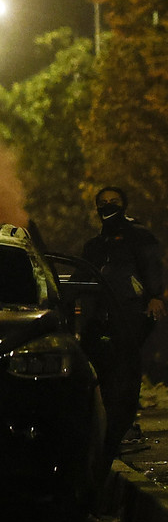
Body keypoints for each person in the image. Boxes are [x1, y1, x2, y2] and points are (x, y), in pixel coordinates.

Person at [81, 185, 166, 453]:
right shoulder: (96, 245)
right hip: (102, 316)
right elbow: (84, 278)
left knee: (125, 368)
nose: (108, 206)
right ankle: (112, 427)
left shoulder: (139, 237)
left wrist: (154, 297)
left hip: (132, 313)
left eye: (114, 201)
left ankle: (125, 427)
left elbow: (152, 268)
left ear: (124, 204)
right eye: (103, 202)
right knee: (104, 370)